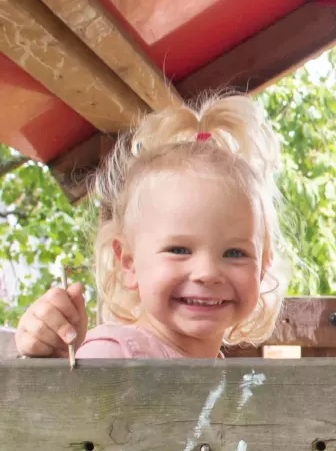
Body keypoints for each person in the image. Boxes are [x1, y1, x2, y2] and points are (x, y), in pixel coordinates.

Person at [15, 95, 287, 360]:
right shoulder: (114, 358)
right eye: (179, 249)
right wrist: (51, 355)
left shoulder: (217, 373)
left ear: (262, 267)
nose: (207, 273)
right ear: (129, 263)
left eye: (235, 253)